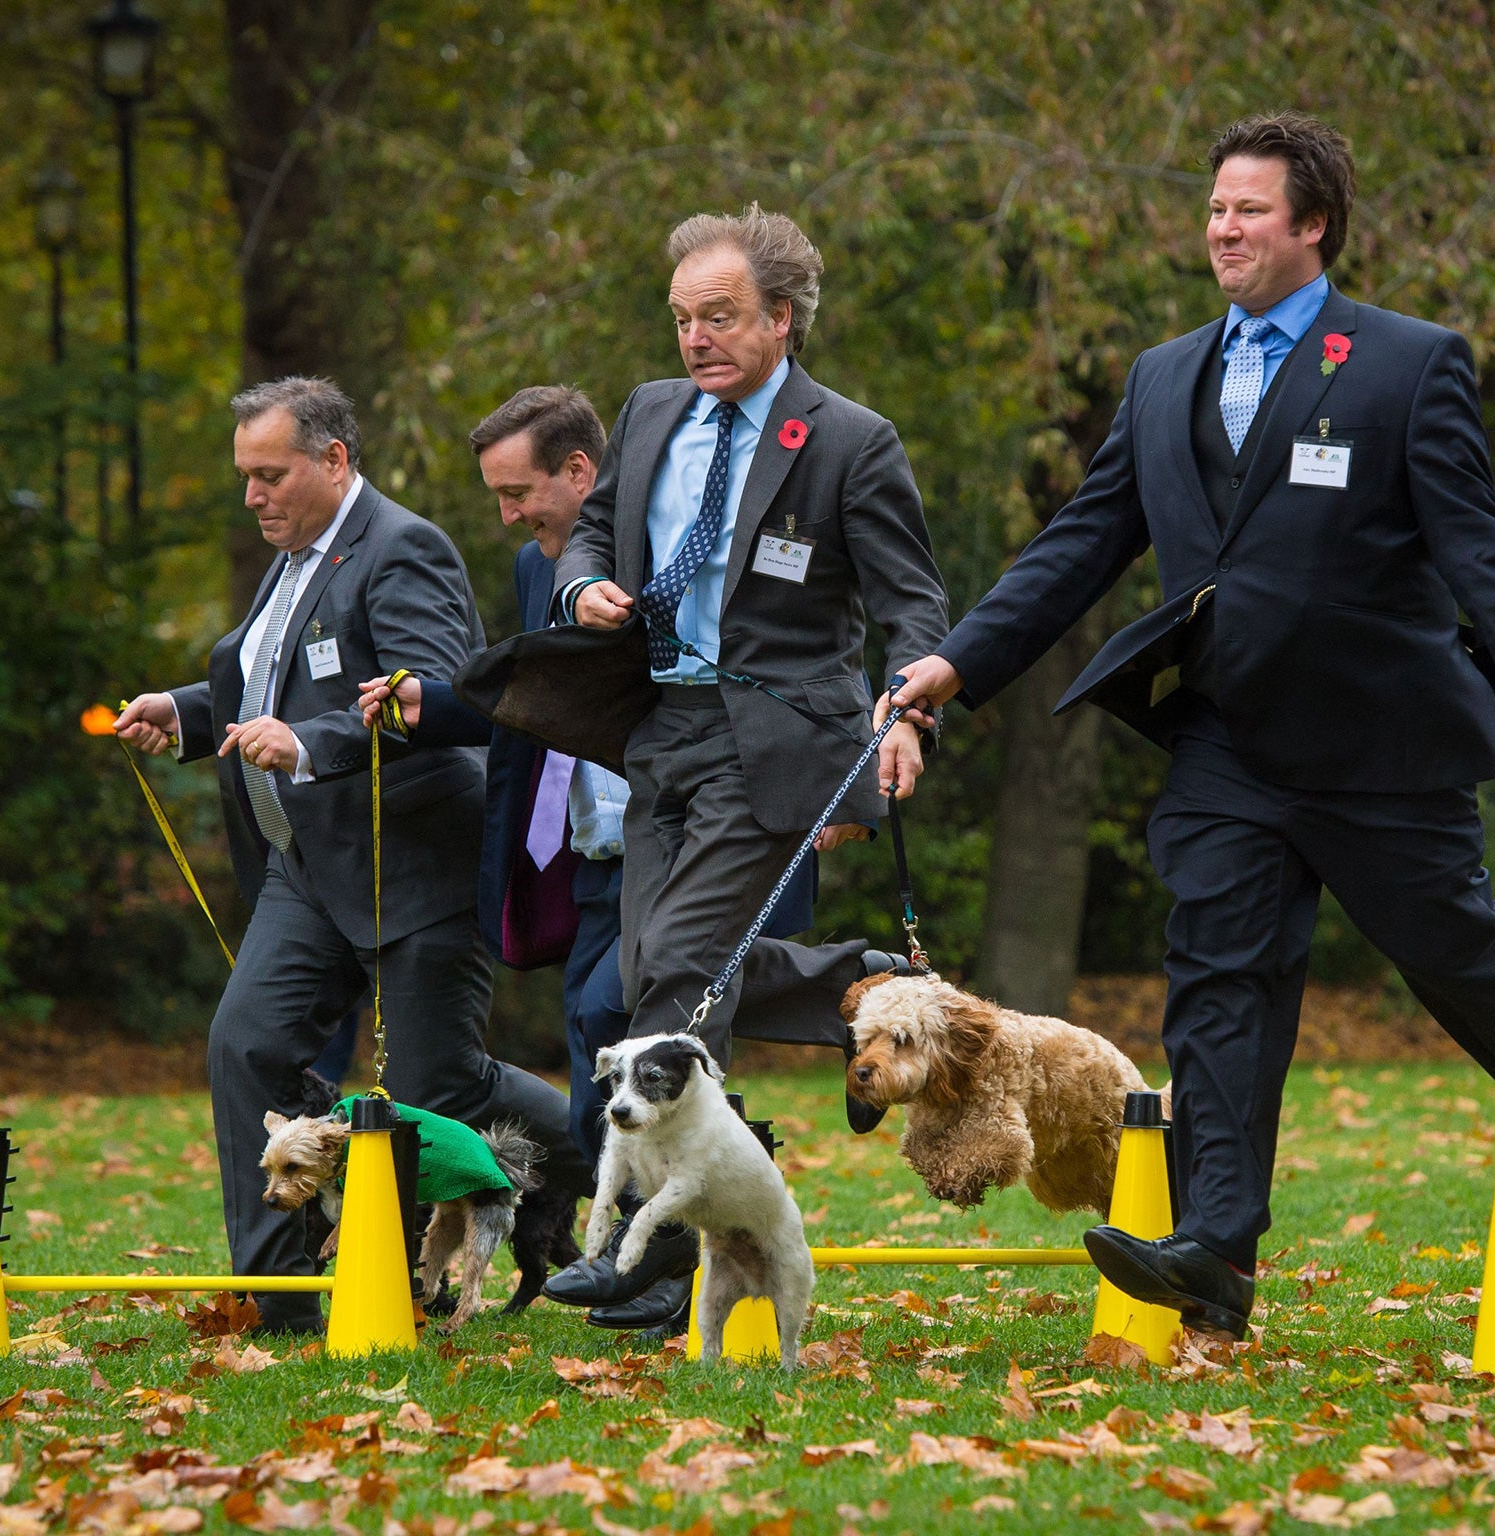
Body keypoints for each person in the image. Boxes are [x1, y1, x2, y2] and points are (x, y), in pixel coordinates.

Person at [887, 113, 1495, 1339]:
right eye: (1214, 209)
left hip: (1379, 741)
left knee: (1457, 950)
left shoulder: (1403, 363)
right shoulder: (1161, 374)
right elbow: (1081, 543)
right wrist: (955, 666)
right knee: (1218, 985)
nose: (1222, 229)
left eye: (1248, 210)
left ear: (1312, 224)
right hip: (1225, 742)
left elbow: (1474, 543)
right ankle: (1215, 1253)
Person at [112, 377, 585, 1334]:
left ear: (333, 461)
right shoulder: (287, 559)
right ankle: (288, 1297)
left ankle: (593, 1157)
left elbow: (435, 695)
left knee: (440, 1087)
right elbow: (274, 680)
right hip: (306, 870)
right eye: (245, 477)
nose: (253, 496)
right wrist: (190, 713)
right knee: (248, 1045)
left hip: (414, 865)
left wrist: (314, 744)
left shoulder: (403, 549)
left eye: (270, 474)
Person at [545, 204, 950, 1317]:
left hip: (770, 740)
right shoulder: (647, 412)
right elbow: (596, 525)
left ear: (780, 319)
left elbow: (912, 600)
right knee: (648, 980)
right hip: (653, 732)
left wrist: (910, 711)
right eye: (680, 319)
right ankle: (861, 990)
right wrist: (582, 583)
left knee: (675, 968)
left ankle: (645, 1233)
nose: (693, 339)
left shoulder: (848, 440)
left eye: (717, 317)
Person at [355, 385, 817, 1335]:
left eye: (520, 491)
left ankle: (828, 998)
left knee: (625, 1009)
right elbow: (531, 696)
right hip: (593, 854)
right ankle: (655, 1276)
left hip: (701, 834)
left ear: (580, 473)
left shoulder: (683, 547)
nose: (509, 516)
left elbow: (798, 658)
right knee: (595, 1042)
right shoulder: (540, 567)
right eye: (497, 495)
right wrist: (425, 706)